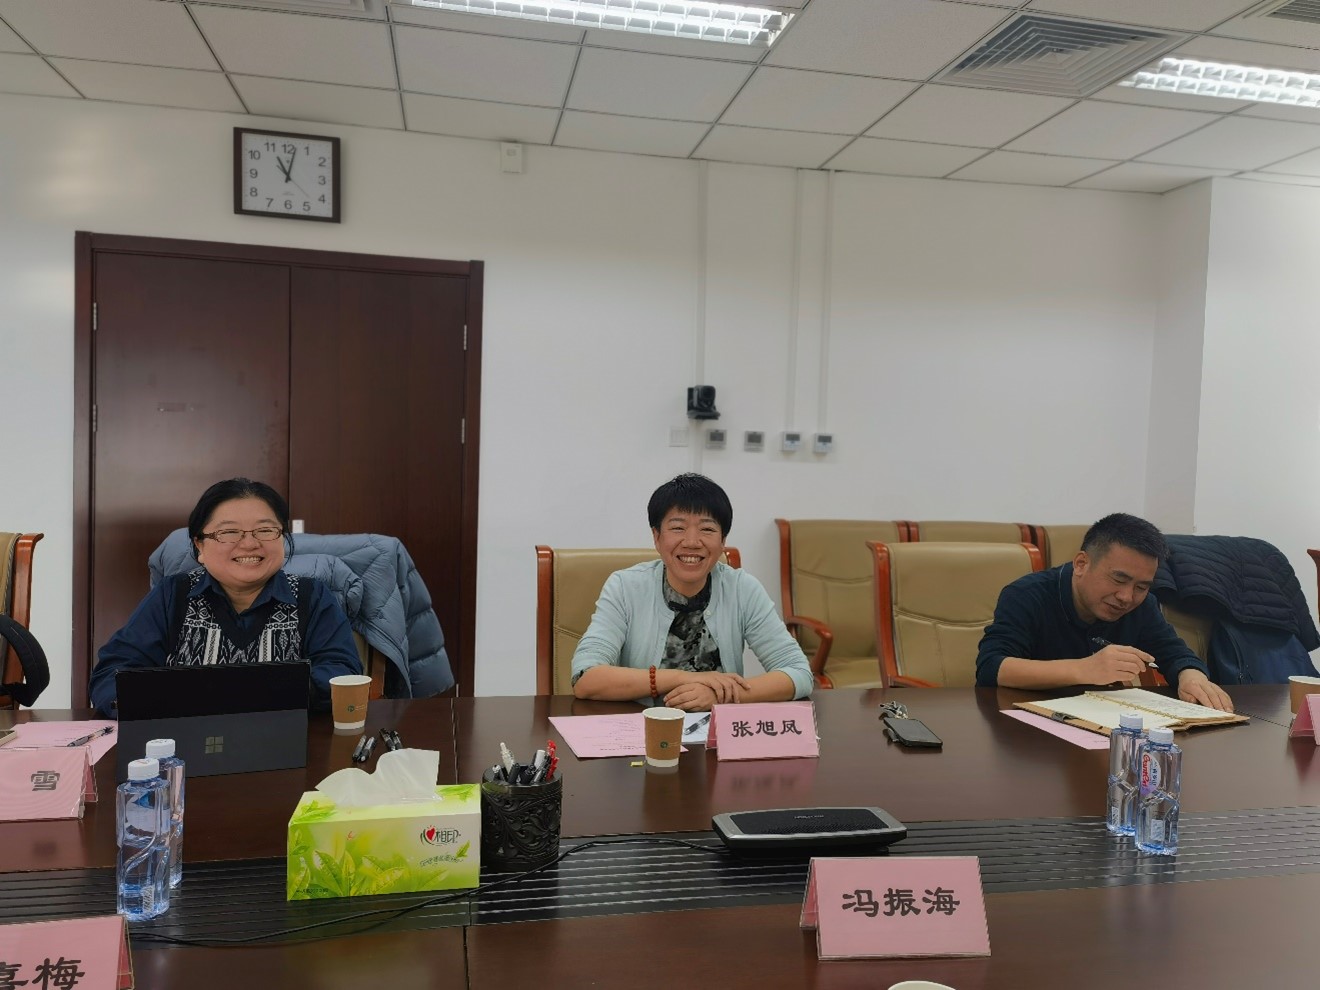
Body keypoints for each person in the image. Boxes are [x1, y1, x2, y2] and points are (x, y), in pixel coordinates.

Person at [89, 478, 361, 716]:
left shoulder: (311, 596)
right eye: (229, 532)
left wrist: (257, 691)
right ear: (199, 546)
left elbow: (343, 672)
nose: (250, 543)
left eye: (265, 530)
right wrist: (165, 700)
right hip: (184, 742)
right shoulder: (173, 594)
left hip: (287, 740)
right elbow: (112, 676)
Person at [572, 474, 814, 710]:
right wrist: (683, 678)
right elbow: (586, 677)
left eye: (707, 529)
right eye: (677, 528)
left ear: (722, 540)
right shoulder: (625, 587)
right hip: (643, 729)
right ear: (657, 537)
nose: (692, 541)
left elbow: (799, 672)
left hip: (719, 732)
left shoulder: (742, 589)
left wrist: (721, 696)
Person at [976, 512, 1234, 712]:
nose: (1127, 597)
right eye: (1119, 579)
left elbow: (1174, 653)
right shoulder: (1026, 594)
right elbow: (992, 667)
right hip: (1028, 730)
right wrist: (1085, 669)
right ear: (1081, 564)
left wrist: (1191, 677)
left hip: (1101, 727)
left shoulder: (1142, 605)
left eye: (1142, 586)